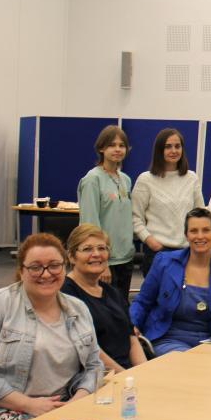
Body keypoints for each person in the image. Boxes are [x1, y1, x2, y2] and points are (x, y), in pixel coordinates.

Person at [0, 233, 103, 420]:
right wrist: (29, 404)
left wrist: (78, 400)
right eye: (35, 267)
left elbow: (94, 365)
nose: (45, 274)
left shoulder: (78, 308)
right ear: (21, 271)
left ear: (64, 266)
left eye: (54, 265)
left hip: (62, 405)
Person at [130, 208, 211, 355]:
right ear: (186, 235)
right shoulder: (164, 262)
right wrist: (131, 324)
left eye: (206, 230)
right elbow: (143, 302)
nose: (200, 236)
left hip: (209, 342)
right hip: (166, 339)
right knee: (190, 361)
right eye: (194, 231)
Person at [62, 224, 147, 372]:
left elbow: (132, 338)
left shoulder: (112, 292)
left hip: (128, 374)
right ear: (71, 256)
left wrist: (143, 371)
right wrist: (126, 376)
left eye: (102, 248)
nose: (96, 254)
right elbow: (90, 351)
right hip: (95, 375)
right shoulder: (65, 294)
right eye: (87, 249)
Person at [131, 128, 205, 278]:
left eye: (177, 146)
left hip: (187, 252)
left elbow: (200, 214)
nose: (173, 151)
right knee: (158, 300)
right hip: (157, 252)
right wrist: (150, 241)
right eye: (168, 146)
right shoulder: (146, 180)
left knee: (186, 300)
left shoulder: (192, 178)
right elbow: (135, 218)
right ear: (159, 150)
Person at [78, 124, 134, 302]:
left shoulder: (125, 180)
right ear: (101, 148)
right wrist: (102, 262)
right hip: (105, 261)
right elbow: (89, 226)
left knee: (121, 310)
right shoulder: (92, 180)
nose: (117, 149)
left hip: (125, 258)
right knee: (104, 313)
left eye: (121, 145)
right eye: (112, 145)